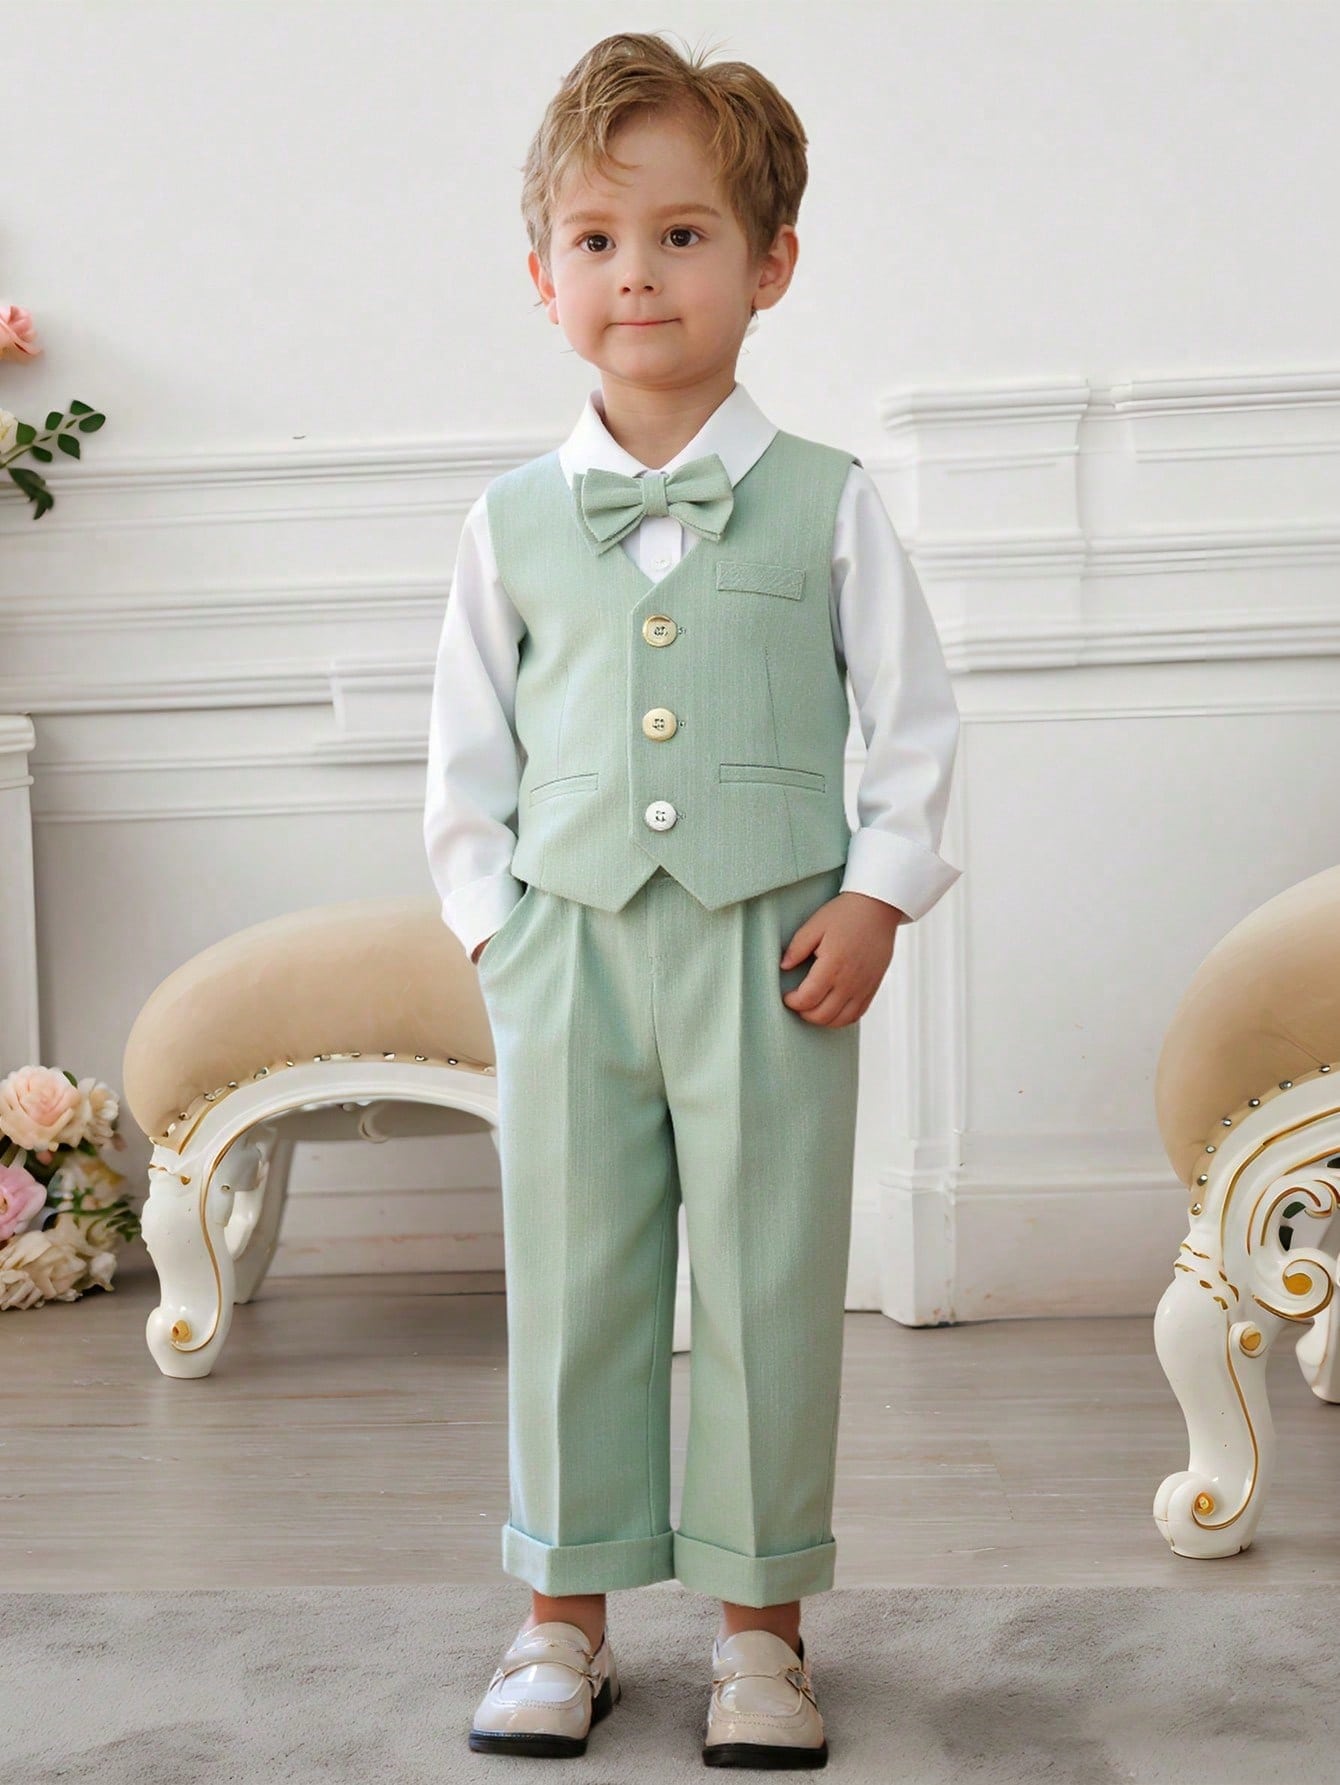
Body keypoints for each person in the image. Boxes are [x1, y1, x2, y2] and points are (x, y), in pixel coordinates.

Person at [423, 28, 961, 1769]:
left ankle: (760, 1631)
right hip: (569, 948)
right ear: (543, 276)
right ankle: (560, 1619)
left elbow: (915, 724)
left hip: (776, 953)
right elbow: (465, 760)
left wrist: (879, 897)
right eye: (596, 239)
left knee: (766, 1283)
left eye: (681, 235)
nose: (637, 274)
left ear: (769, 263)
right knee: (574, 1283)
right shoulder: (511, 521)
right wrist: (498, 928)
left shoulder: (827, 504)